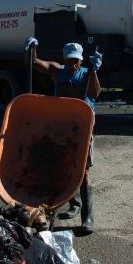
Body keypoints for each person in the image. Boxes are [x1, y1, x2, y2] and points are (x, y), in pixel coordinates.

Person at [25, 36, 101, 235]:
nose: (72, 64)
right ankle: (73, 204)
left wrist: (93, 71)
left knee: (83, 173)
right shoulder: (57, 72)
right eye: (69, 60)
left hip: (84, 128)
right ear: (64, 59)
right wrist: (33, 46)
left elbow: (95, 93)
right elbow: (35, 63)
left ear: (82, 60)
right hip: (62, 127)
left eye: (76, 60)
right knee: (63, 167)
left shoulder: (86, 73)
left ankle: (88, 217)